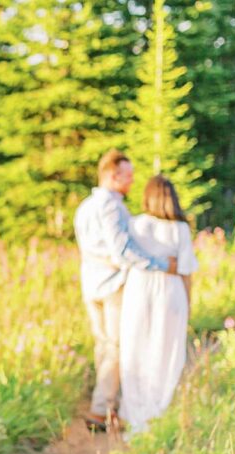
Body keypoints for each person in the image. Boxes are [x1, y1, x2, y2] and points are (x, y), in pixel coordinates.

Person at [73, 150, 177, 432]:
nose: (132, 181)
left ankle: (104, 403)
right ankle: (102, 410)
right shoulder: (111, 206)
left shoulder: (85, 207)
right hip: (112, 285)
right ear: (112, 174)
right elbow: (122, 251)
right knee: (118, 347)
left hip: (91, 284)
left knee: (104, 345)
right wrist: (159, 265)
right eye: (127, 175)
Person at [119, 175, 198, 434]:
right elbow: (185, 270)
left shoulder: (136, 224)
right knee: (165, 351)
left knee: (135, 349)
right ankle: (157, 409)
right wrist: (188, 303)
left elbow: (125, 258)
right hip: (169, 290)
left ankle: (135, 412)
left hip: (139, 289)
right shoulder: (181, 229)